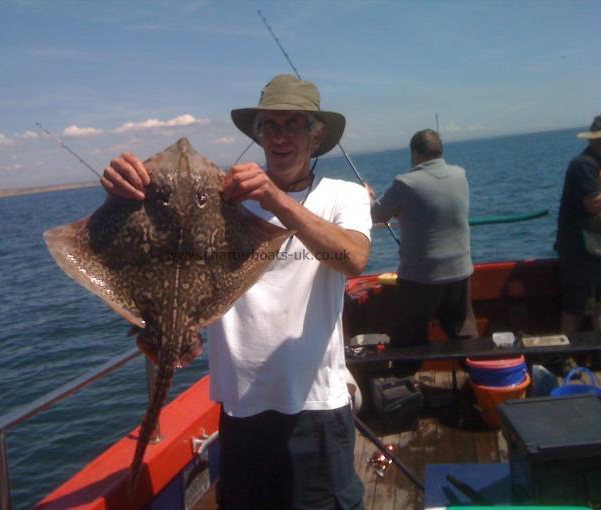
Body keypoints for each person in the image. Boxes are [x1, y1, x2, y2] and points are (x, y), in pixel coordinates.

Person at [101, 74, 372, 509]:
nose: (280, 137)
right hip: (241, 410)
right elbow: (154, 248)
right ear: (258, 133)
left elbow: (354, 258)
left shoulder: (344, 196)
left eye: (293, 124)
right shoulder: (225, 199)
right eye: (270, 126)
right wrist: (123, 190)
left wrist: (278, 202)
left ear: (316, 135)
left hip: (317, 405)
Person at [371, 129, 477, 376]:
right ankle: (481, 383)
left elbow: (377, 214)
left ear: (415, 153)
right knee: (465, 335)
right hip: (461, 272)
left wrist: (368, 197)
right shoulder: (460, 175)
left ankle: (404, 387)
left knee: (407, 341)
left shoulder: (405, 183)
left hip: (420, 278)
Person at [554, 115, 601, 341]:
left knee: (598, 305)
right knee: (576, 306)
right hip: (579, 250)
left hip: (595, 248)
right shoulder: (583, 165)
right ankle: (560, 358)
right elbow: (594, 204)